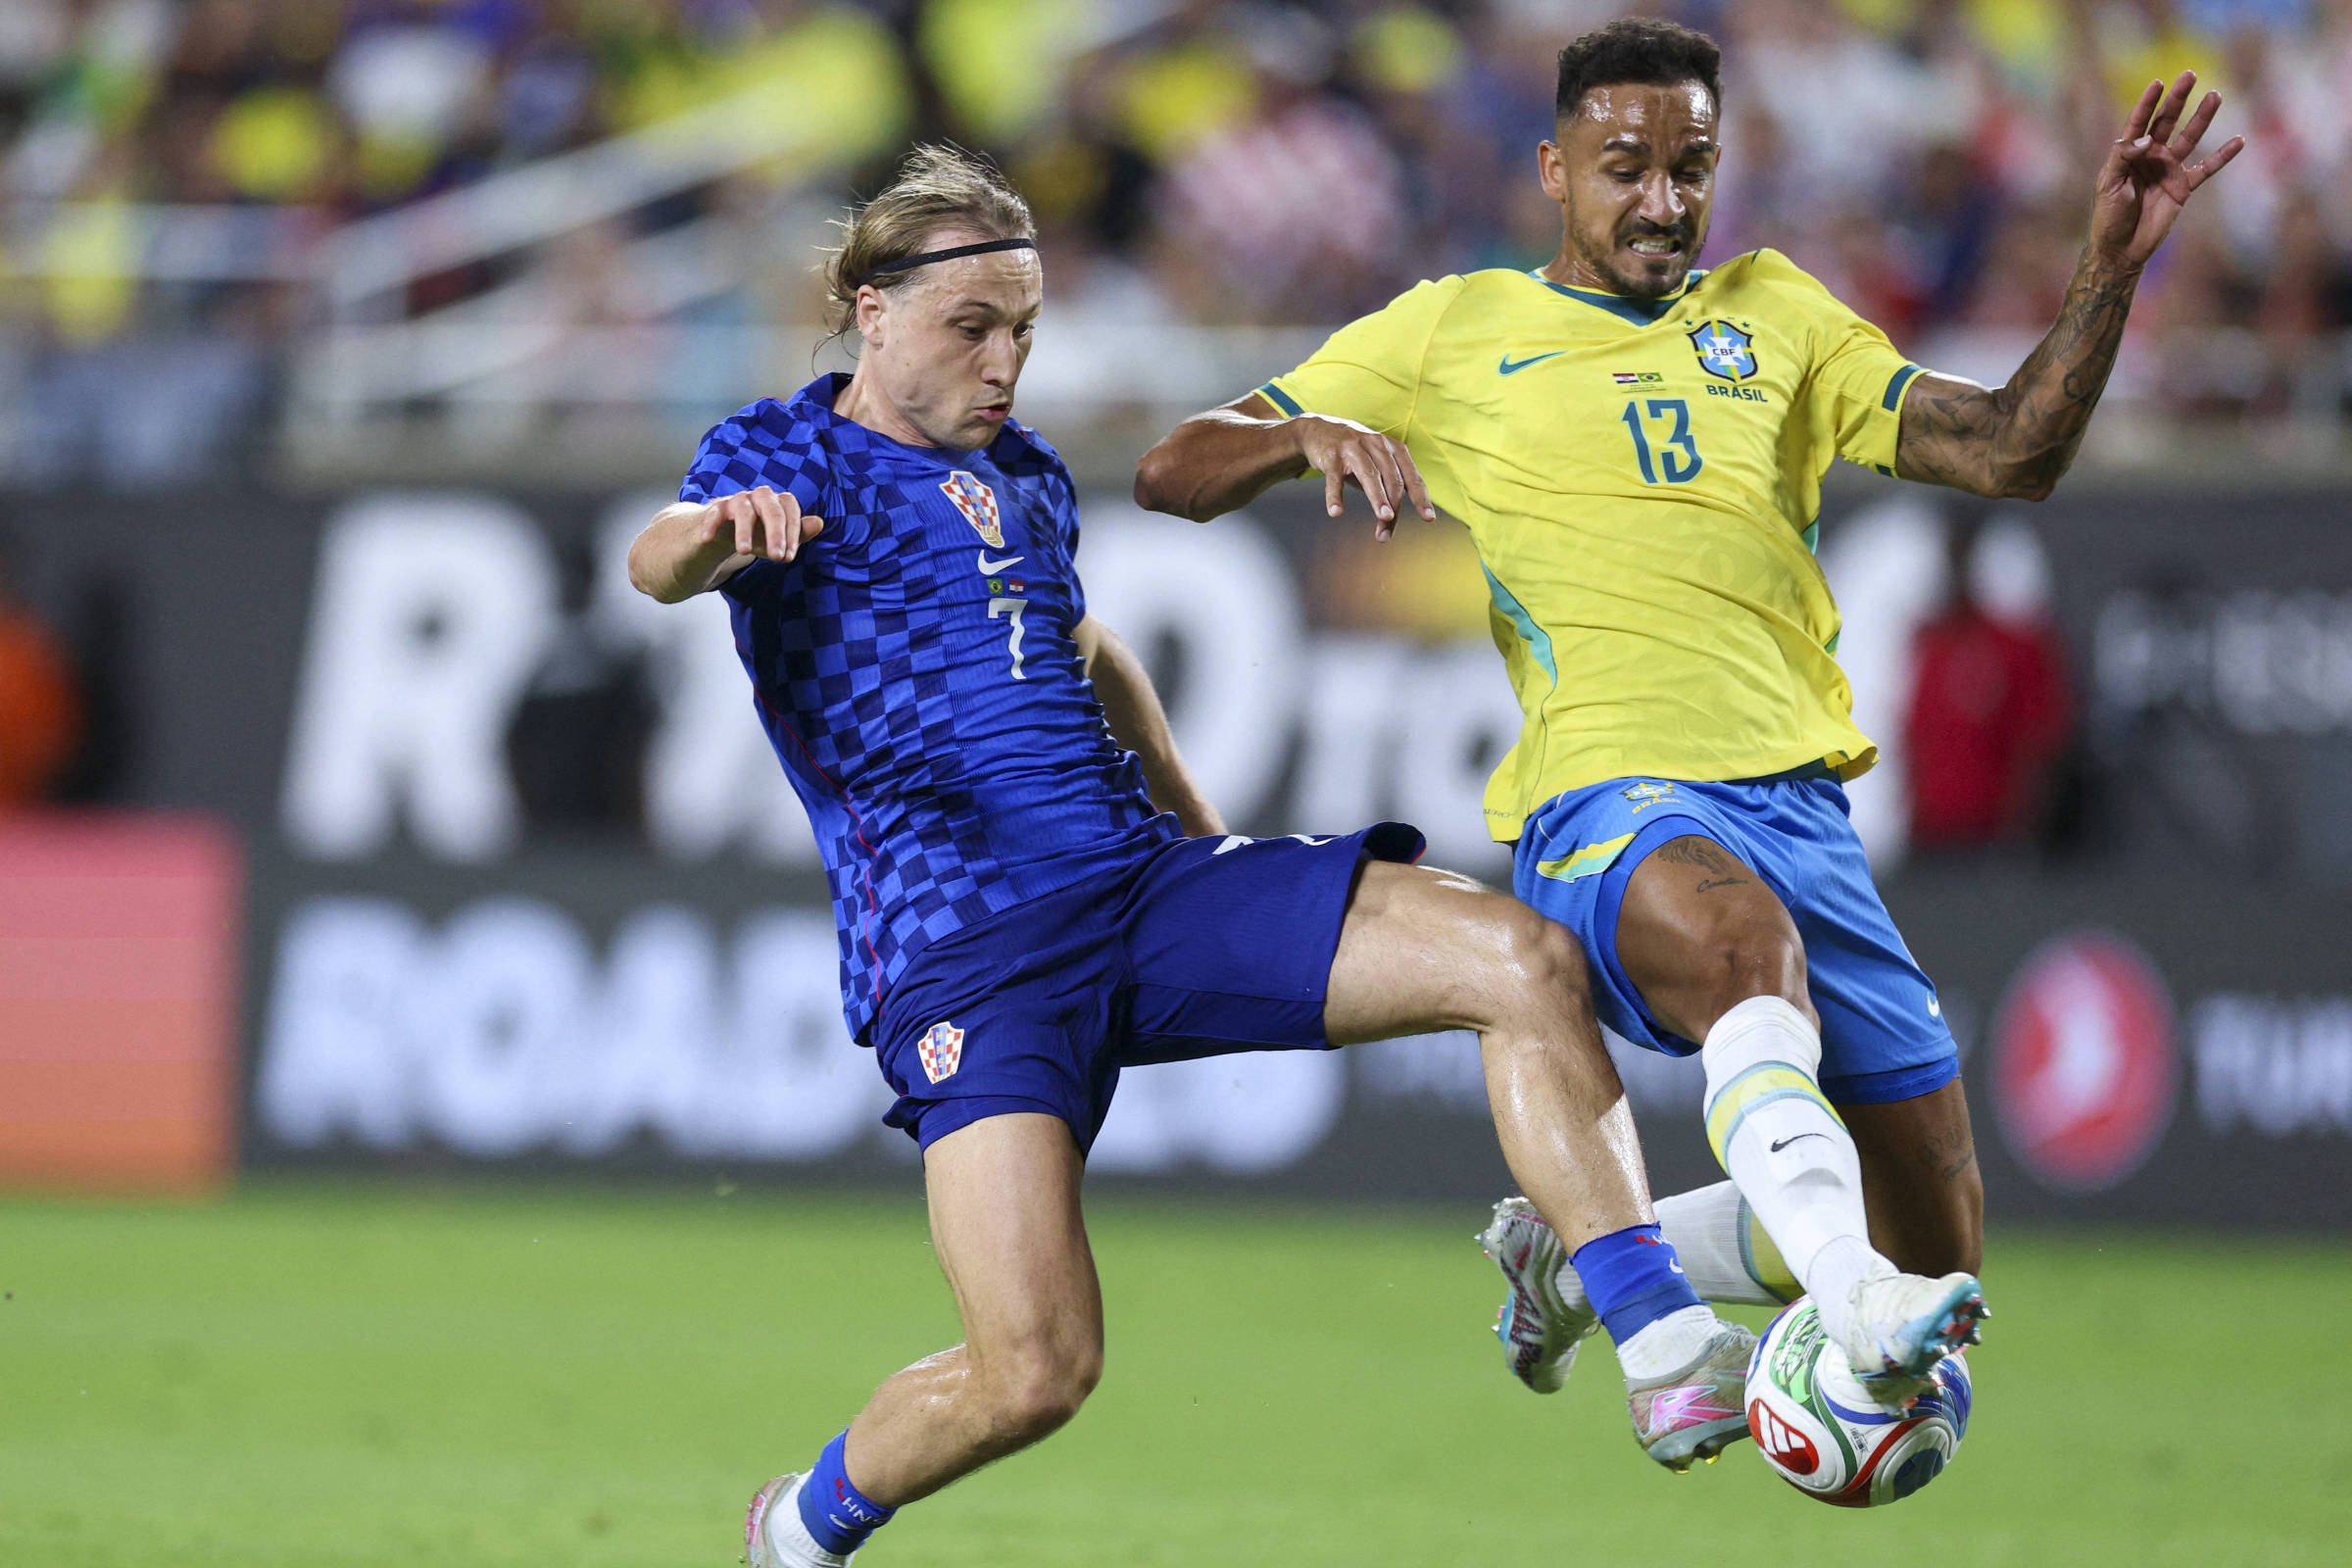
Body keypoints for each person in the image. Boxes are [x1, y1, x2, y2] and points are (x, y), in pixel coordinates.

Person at [628, 146, 1753, 1568]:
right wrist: (716, 538)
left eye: (1024, 330)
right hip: (972, 955)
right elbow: (656, 559)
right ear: (870, 311)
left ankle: (1657, 1335)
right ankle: (799, 1526)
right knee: (1034, 1371)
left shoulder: (1025, 477)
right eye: (973, 327)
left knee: (1517, 953)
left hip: (1145, 892)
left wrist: (1202, 834)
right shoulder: (786, 455)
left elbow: (1089, 651)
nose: (1005, 362)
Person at [1135, 17, 2239, 1411]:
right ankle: (1847, 1306)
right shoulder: (1451, 328)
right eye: (1625, 165)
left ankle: (1588, 1252)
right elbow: (1173, 469)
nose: (1662, 199)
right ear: (1551, 168)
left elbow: (2013, 451)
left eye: (1691, 165)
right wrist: (1299, 431)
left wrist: (2111, 268)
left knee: (1938, 1242)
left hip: (1801, 811)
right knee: (1738, 951)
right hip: (1609, 798)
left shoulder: (1781, 314)